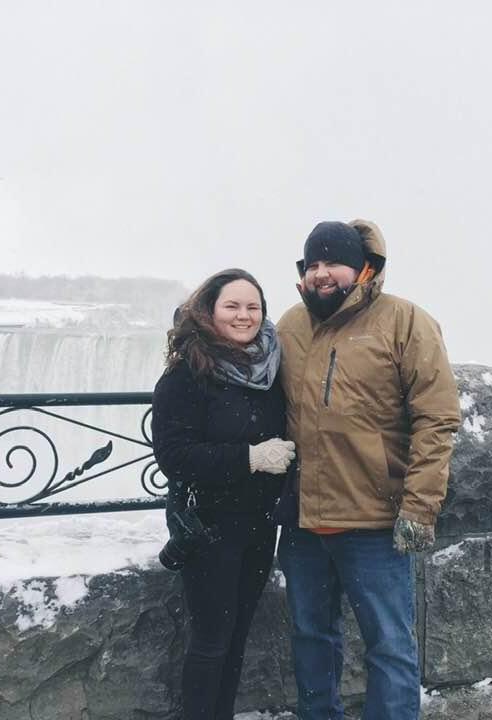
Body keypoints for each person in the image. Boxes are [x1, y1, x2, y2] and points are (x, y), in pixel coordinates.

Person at [276, 220, 461, 720]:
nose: (320, 273)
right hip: (302, 520)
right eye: (312, 264)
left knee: (390, 646)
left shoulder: (404, 321)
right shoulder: (290, 325)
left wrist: (419, 509)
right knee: (311, 638)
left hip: (375, 522)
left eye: (332, 261)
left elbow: (437, 417)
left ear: (364, 267)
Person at [151, 268, 295, 720]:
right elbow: (174, 456)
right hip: (210, 526)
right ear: (209, 311)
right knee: (212, 640)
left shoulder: (270, 369)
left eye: (253, 307)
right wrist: (249, 458)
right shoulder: (187, 375)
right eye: (231, 306)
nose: (243, 315)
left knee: (236, 638)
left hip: (258, 524)